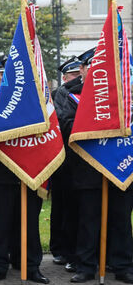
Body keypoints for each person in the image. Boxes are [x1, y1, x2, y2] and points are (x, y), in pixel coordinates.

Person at [56, 49, 133, 284]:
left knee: (121, 220)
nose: (96, 70)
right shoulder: (72, 94)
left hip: (120, 166)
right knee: (88, 220)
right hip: (87, 168)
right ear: (83, 69)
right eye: (91, 66)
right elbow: (65, 124)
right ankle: (86, 266)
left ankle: (123, 266)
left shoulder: (123, 95)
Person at [0, 85, 49, 283]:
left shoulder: (34, 100)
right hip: (1, 172)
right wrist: (12, 122)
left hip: (29, 170)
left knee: (30, 223)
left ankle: (31, 266)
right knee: (0, 223)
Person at [48, 57, 81, 267]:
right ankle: (60, 249)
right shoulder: (61, 93)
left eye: (79, 74)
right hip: (65, 159)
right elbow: (62, 121)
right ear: (65, 76)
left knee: (76, 208)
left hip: (82, 161)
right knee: (62, 207)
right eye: (73, 75)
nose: (77, 78)